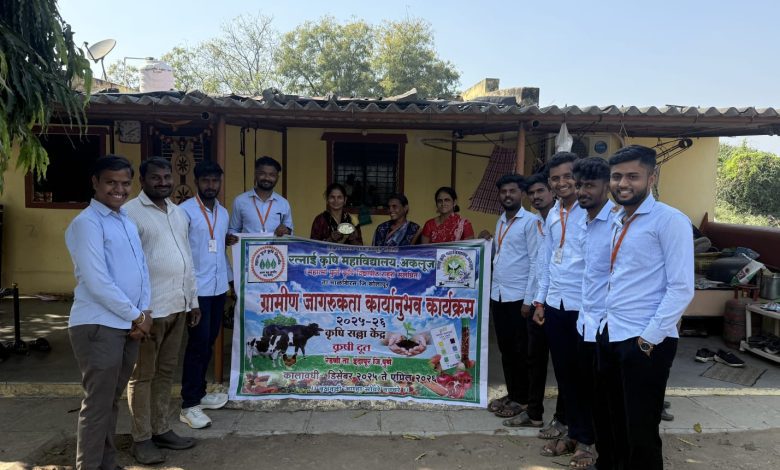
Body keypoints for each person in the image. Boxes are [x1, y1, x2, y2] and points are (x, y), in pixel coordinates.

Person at [595, 145, 694, 470]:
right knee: (611, 418)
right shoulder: (618, 219)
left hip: (644, 340)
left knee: (640, 428)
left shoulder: (669, 221)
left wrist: (649, 339)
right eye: (617, 176)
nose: (623, 183)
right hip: (611, 331)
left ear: (651, 178)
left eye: (632, 176)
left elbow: (681, 287)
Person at [65, 155, 153, 470]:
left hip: (127, 323)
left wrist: (145, 312)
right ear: (95, 182)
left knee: (109, 400)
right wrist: (137, 316)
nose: (119, 189)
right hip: (99, 324)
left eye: (125, 183)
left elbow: (142, 270)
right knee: (97, 405)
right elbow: (97, 281)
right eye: (111, 182)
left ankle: (106, 463)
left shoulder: (125, 220)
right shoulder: (87, 223)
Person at [124, 157, 199, 464]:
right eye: (156, 177)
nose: (163, 182)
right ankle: (141, 438)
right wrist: (137, 312)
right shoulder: (130, 213)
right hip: (149, 312)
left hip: (177, 306)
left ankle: (161, 429)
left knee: (165, 372)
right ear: (142, 180)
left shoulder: (178, 213)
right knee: (142, 376)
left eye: (167, 177)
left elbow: (186, 258)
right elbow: (127, 267)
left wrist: (192, 300)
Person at [532, 152, 596, 465]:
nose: (562, 183)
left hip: (584, 308)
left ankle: (587, 441)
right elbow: (546, 261)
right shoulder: (553, 214)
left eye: (567, 176)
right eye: (555, 178)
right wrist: (540, 301)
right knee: (566, 376)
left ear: (579, 177)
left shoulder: (594, 212)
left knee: (586, 377)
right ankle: (572, 432)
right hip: (556, 304)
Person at [478, 174, 541, 424]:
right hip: (499, 294)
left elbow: (535, 261)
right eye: (503, 191)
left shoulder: (531, 222)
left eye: (512, 191)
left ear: (522, 194)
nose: (507, 195)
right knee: (506, 349)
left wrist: (528, 300)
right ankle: (513, 393)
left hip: (519, 297)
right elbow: (502, 253)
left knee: (521, 350)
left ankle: (523, 399)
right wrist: (488, 241)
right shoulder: (501, 220)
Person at [178, 160, 231, 429]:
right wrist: (189, 297)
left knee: (208, 342)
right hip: (196, 291)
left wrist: (230, 282)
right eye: (206, 180)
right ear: (196, 182)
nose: (211, 185)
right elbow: (181, 254)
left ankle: (199, 393)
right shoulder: (184, 212)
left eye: (215, 181)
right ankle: (188, 405)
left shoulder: (223, 213)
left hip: (218, 288)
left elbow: (219, 248)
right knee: (197, 345)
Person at [572, 156, 616, 468]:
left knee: (607, 393)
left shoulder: (617, 224)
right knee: (585, 386)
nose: (582, 191)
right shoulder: (583, 222)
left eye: (589, 185)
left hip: (609, 324)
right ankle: (585, 440)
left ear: (606, 187)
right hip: (584, 320)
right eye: (579, 185)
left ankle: (603, 449)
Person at [523, 172, 568, 439]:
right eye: (532, 193)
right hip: (540, 301)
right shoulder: (540, 221)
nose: (536, 196)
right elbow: (539, 264)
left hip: (562, 303)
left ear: (551, 192)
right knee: (535, 360)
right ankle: (534, 413)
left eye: (540, 191)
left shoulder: (566, 218)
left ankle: (563, 420)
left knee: (564, 367)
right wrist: (534, 300)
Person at [227, 156, 293, 244]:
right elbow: (234, 229)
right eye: (262, 173)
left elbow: (290, 232)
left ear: (277, 177)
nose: (267, 178)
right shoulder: (240, 201)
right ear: (255, 174)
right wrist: (231, 236)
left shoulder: (283, 203)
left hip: (275, 251)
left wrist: (286, 231)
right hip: (248, 251)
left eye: (272, 175)